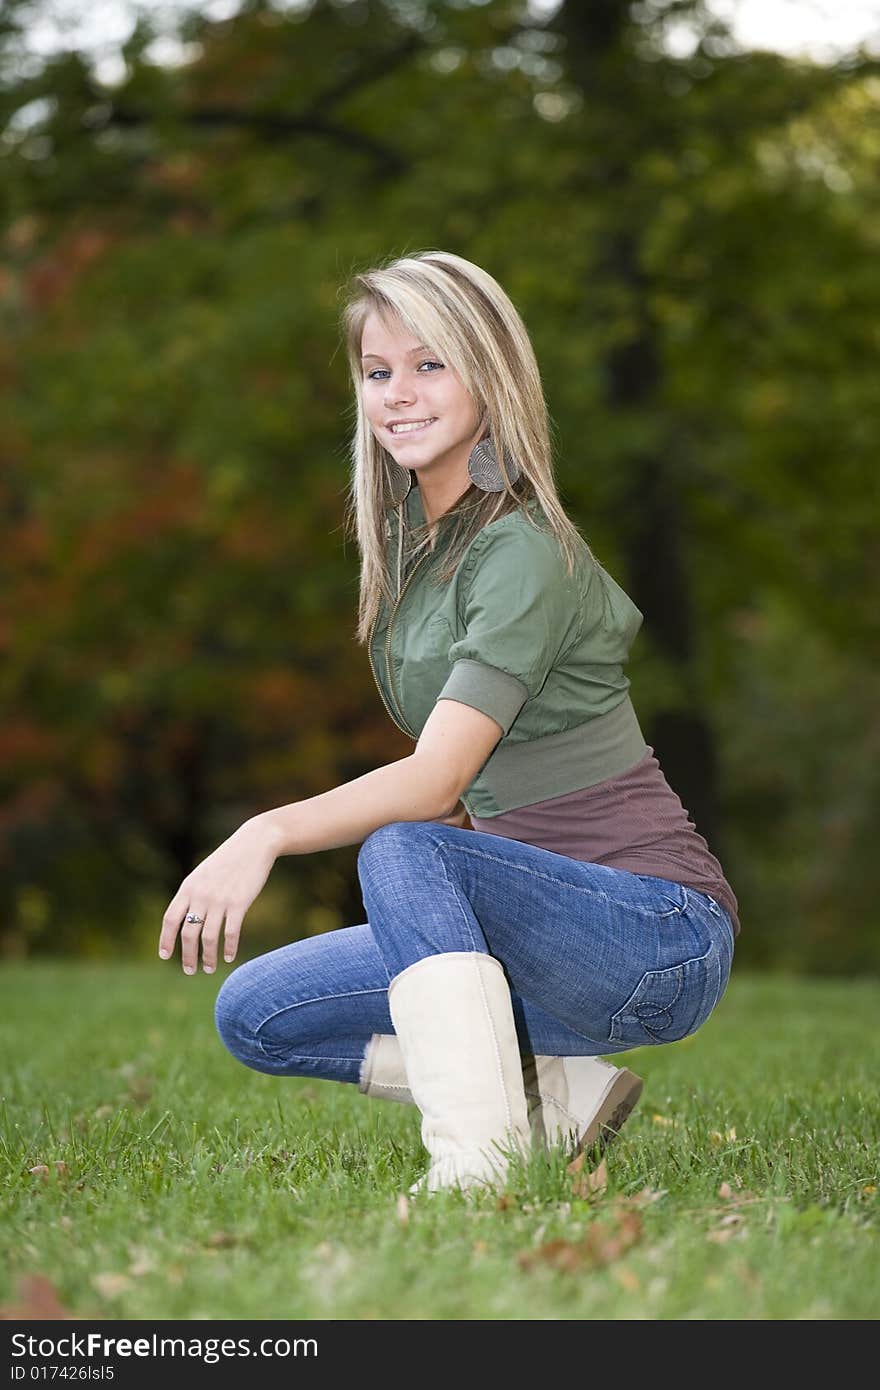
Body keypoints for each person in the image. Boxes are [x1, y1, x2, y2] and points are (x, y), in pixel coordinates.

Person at [158, 249, 739, 1196]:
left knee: (403, 846)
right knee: (258, 1012)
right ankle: (553, 1098)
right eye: (378, 371)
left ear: (490, 373)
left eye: (430, 364)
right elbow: (483, 789)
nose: (398, 393)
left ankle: (477, 1166)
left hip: (656, 932)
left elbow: (434, 786)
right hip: (538, 930)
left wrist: (262, 833)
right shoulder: (416, 550)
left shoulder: (521, 550)